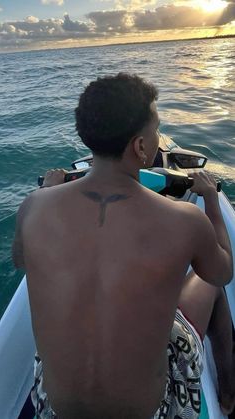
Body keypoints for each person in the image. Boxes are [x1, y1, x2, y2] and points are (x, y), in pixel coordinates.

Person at [12, 73, 233, 419]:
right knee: (211, 287)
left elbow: (22, 260)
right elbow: (223, 272)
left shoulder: (33, 207)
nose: (158, 138)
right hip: (149, 412)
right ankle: (230, 399)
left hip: (54, 409)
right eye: (156, 129)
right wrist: (211, 201)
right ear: (141, 147)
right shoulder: (186, 220)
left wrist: (45, 191)